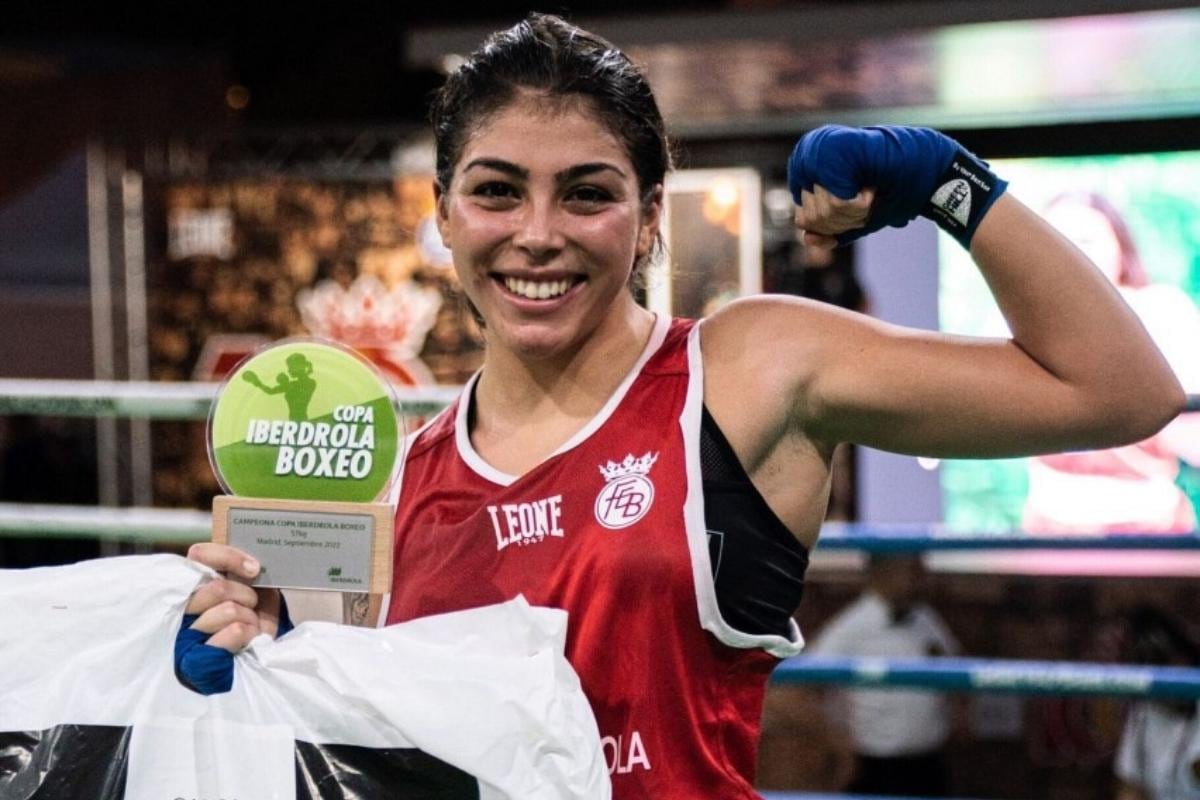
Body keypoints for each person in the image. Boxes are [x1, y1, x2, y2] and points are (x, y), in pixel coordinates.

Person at [179, 13, 1186, 798]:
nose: (538, 233)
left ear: (651, 216)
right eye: (496, 191)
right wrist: (247, 642)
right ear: (441, 213)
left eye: (586, 192)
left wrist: (945, 182)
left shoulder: (747, 370)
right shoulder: (398, 483)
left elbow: (1122, 389)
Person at [1023, 191, 1200, 534]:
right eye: (1058, 241)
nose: (1073, 254)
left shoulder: (1162, 312)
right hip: (1050, 530)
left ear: (1120, 248)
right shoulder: (1026, 322)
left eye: (1087, 240)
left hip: (1149, 530)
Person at [806, 554, 960, 796]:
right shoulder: (851, 626)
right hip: (875, 765)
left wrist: (958, 719)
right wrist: (839, 743)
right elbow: (805, 685)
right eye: (913, 570)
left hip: (929, 762)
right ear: (884, 573)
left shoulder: (926, 619)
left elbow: (955, 668)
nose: (922, 578)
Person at [1114, 606, 1200, 800]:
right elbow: (1130, 788)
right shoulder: (1144, 715)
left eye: (1173, 663)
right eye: (1158, 666)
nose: (1170, 675)